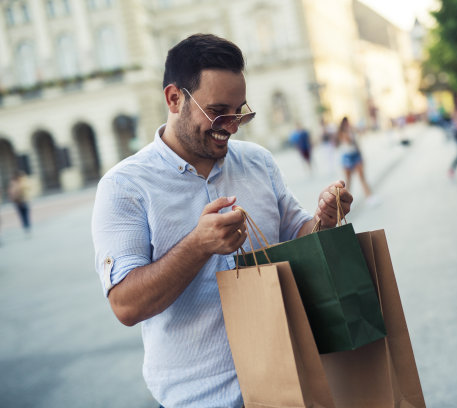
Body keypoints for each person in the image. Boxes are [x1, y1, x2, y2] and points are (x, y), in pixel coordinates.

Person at [91, 34, 353, 408]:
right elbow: (126, 306)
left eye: (239, 112)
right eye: (218, 111)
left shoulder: (258, 161)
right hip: (200, 399)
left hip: (289, 382)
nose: (231, 125)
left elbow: (299, 234)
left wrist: (325, 219)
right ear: (174, 98)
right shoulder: (124, 187)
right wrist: (198, 245)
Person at [336, 116, 375, 203]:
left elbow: (357, 143)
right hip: (347, 157)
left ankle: (369, 197)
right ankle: (344, 202)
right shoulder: (342, 132)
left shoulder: (352, 130)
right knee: (348, 181)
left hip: (355, 155)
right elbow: (348, 141)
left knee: (362, 177)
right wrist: (350, 132)